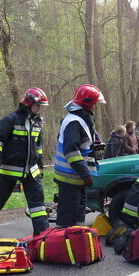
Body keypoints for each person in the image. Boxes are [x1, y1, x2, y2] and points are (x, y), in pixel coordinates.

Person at [0, 88, 49, 238]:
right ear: (29, 103)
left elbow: (38, 147)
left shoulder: (37, 123)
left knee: (37, 201)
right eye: (38, 105)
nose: (40, 109)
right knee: (0, 199)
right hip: (10, 168)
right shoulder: (10, 120)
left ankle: (42, 234)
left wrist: (40, 165)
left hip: (31, 169)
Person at [54, 84, 105, 226]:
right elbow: (71, 151)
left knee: (79, 211)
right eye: (94, 103)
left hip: (76, 177)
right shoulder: (74, 122)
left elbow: (84, 141)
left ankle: (78, 236)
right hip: (69, 176)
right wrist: (84, 173)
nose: (95, 107)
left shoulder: (82, 119)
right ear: (86, 104)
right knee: (68, 215)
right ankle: (65, 237)